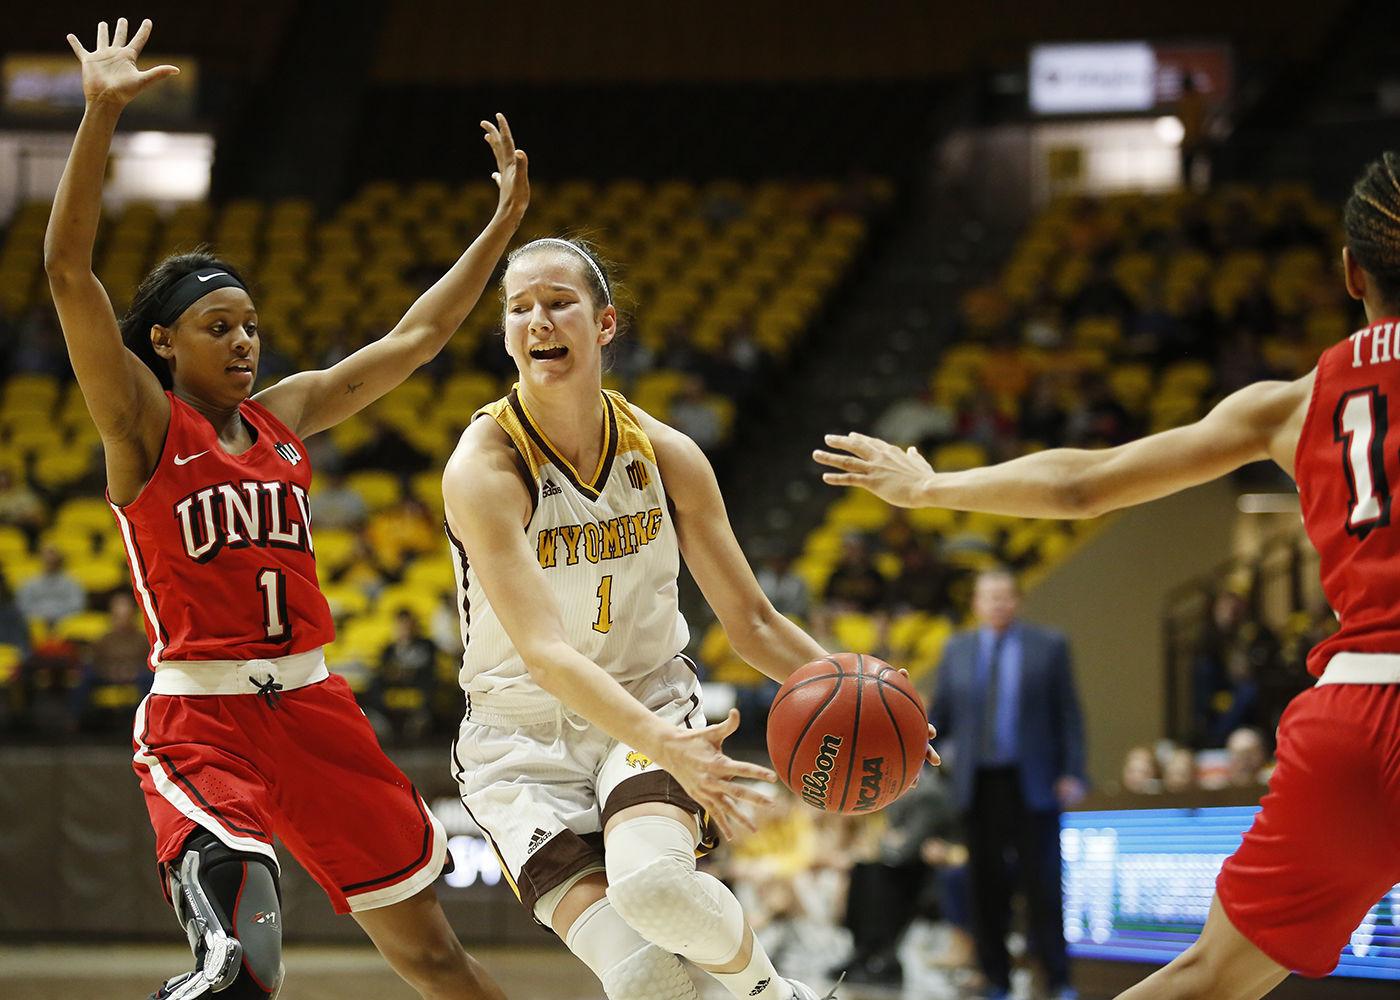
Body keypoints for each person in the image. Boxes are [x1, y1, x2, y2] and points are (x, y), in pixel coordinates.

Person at [815, 151, 1400, 999]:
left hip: (1352, 713)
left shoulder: (1295, 402)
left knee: (1209, 977)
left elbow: (1084, 482)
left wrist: (932, 484)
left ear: (1350, 273)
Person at [44, 20, 510, 1000]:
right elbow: (68, 274)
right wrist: (98, 115)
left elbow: (418, 337)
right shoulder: (141, 423)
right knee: (240, 970)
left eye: (252, 325)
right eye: (220, 327)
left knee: (436, 959)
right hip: (202, 717)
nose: (245, 342)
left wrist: (501, 226)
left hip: (313, 705)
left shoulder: (285, 415)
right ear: (165, 342)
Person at [442, 231, 939, 1000]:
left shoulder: (667, 453)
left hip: (645, 700)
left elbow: (755, 623)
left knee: (655, 891)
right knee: (643, 977)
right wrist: (670, 748)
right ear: (506, 333)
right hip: (517, 740)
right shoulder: (486, 468)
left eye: (558, 303)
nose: (538, 321)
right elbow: (544, 653)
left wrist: (868, 701)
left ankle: (778, 995)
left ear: (603, 324)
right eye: (519, 309)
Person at [920, 568, 1086, 1000]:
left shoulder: (1048, 645)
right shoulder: (956, 649)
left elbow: (1068, 714)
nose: (997, 603)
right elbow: (941, 718)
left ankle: (1059, 979)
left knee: (1044, 887)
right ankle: (996, 979)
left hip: (1034, 783)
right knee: (985, 889)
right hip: (978, 786)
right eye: (988, 597)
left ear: (1018, 601)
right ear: (976, 604)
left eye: (1004, 596)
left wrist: (1073, 771)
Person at [16, 544, 87, 627]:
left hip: (65, 622)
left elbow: (78, 605)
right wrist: (41, 617)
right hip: (35, 623)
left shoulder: (73, 582)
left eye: (53, 560)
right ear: (41, 560)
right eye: (47, 560)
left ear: (59, 560)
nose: (50, 562)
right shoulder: (29, 582)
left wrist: (57, 616)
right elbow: (23, 605)